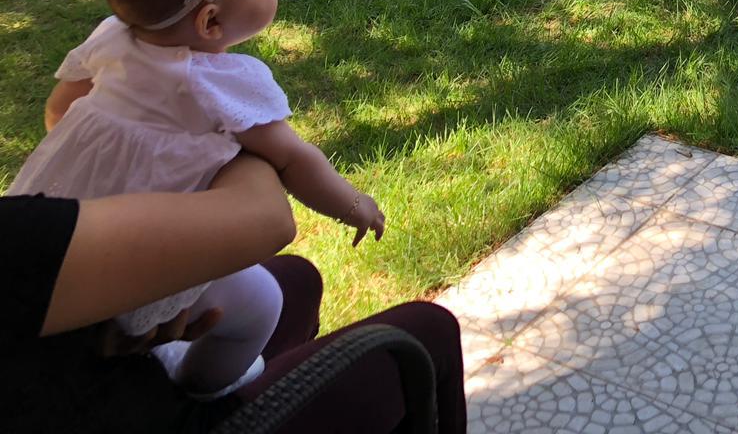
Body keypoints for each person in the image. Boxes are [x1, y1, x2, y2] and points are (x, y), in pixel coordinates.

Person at [7, 0, 386, 397]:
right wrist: (354, 204)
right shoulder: (217, 82)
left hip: (69, 224)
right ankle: (207, 388)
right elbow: (294, 159)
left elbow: (60, 110)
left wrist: (106, 155)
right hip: (161, 239)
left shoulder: (112, 36)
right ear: (210, 22)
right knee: (262, 304)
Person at [3, 154, 466, 433]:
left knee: (297, 280)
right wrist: (242, 122)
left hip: (92, 375)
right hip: (149, 420)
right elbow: (269, 222)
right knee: (430, 330)